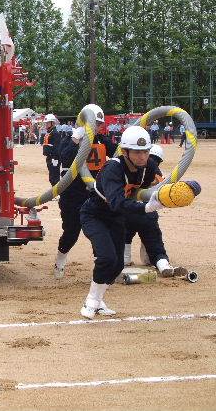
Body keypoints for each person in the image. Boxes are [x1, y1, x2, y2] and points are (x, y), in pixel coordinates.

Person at [79, 126, 166, 319]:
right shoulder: (113, 168)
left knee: (118, 265)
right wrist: (146, 207)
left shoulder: (150, 167)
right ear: (125, 152)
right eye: (137, 152)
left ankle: (99, 301)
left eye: (145, 151)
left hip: (117, 218)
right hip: (95, 215)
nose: (142, 156)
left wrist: (173, 195)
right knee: (107, 258)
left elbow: (161, 185)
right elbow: (117, 203)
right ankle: (90, 302)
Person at [54, 104, 116, 278]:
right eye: (95, 122)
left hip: (96, 193)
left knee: (101, 230)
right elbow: (64, 157)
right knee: (71, 231)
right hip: (73, 194)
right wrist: (76, 139)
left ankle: (103, 265)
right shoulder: (70, 139)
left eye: (99, 123)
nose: (97, 126)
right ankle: (60, 259)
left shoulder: (102, 140)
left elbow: (119, 153)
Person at [123, 144, 188, 277]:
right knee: (154, 241)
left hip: (127, 209)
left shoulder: (125, 169)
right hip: (148, 211)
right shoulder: (158, 173)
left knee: (124, 236)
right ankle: (162, 264)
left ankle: (125, 260)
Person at [42, 113, 61, 186]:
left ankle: (56, 193)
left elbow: (57, 148)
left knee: (54, 177)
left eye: (47, 123)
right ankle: (54, 192)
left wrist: (52, 156)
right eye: (45, 123)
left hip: (54, 158)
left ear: (52, 123)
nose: (46, 124)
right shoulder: (49, 132)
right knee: (52, 177)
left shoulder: (55, 133)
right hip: (50, 157)